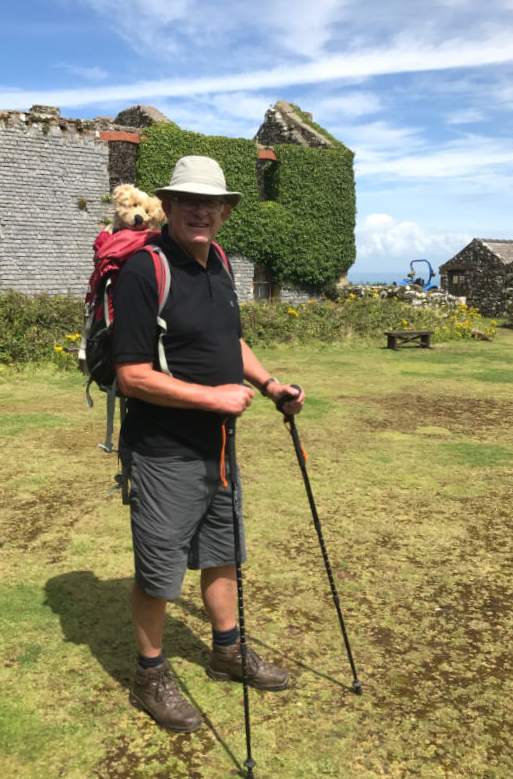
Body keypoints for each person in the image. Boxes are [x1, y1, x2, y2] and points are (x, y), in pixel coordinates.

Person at [112, 155, 305, 733]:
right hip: (163, 450)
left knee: (223, 550)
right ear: (167, 206)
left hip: (219, 447)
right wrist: (212, 398)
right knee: (158, 570)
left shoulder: (219, 262)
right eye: (188, 201)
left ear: (225, 212)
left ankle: (227, 650)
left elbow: (230, 341)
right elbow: (132, 375)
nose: (201, 210)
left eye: (211, 203)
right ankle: (150, 676)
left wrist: (268, 385)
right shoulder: (145, 271)